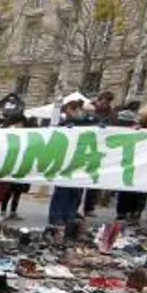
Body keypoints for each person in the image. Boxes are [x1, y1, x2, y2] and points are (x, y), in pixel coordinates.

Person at [46, 97, 94, 232]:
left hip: (81, 161)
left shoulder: (88, 123)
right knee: (62, 191)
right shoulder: (64, 124)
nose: (69, 114)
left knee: (76, 192)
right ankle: (57, 218)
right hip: (66, 162)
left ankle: (70, 217)